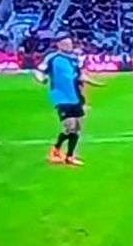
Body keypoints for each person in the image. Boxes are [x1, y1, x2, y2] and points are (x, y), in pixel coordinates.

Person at [35, 35, 99, 166]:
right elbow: (39, 70)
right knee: (70, 126)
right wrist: (41, 79)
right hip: (61, 97)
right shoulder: (52, 58)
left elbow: (80, 76)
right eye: (65, 44)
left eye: (70, 44)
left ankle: (67, 155)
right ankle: (60, 152)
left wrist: (96, 83)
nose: (69, 46)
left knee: (77, 128)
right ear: (59, 45)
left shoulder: (74, 60)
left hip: (75, 97)